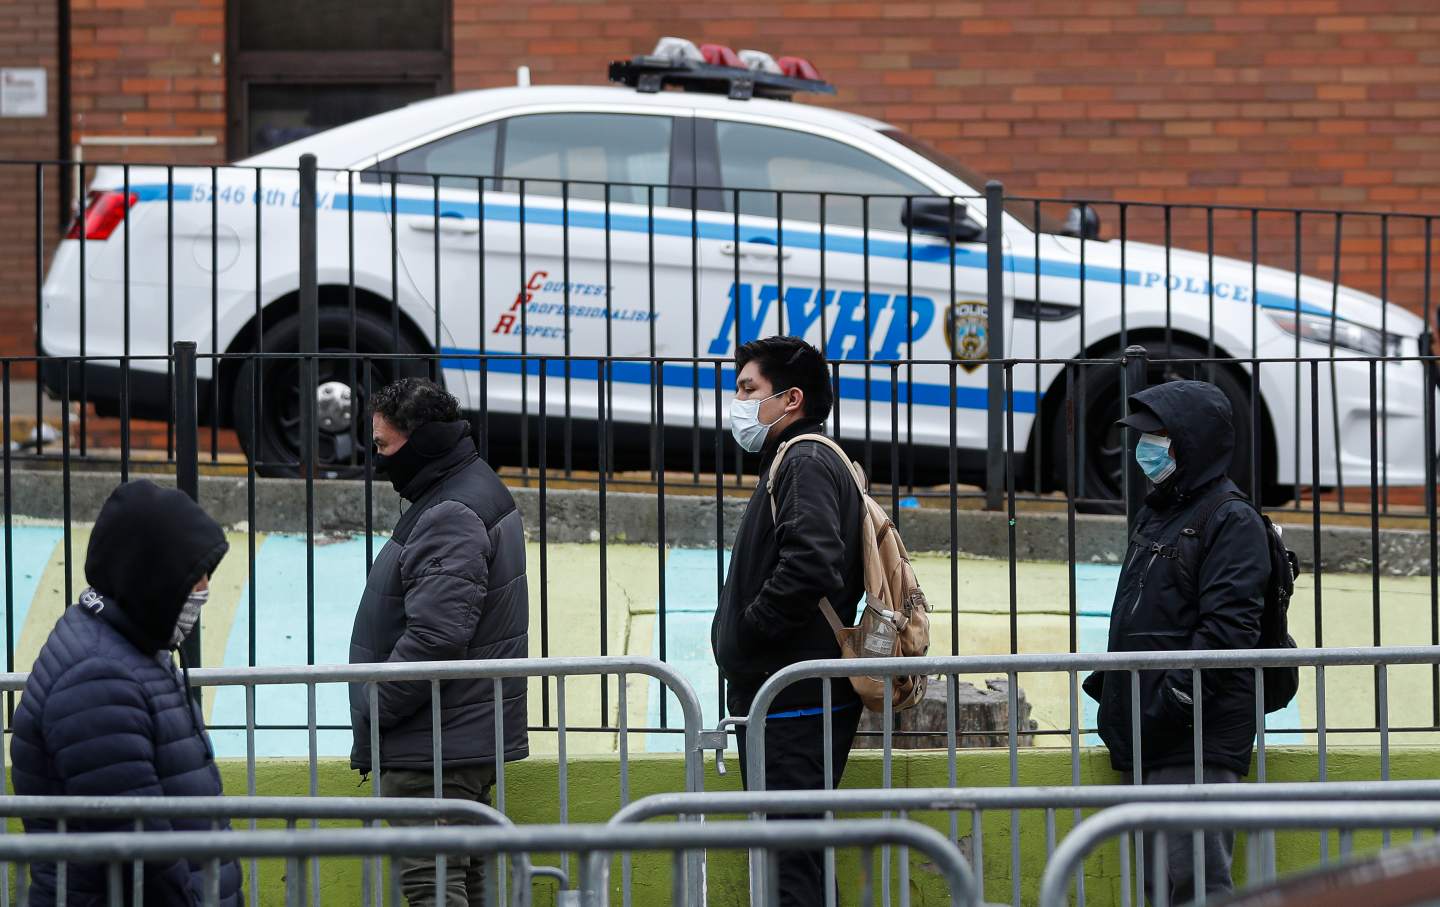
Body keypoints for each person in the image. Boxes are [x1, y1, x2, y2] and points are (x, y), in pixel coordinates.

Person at [10, 480, 242, 906]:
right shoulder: (98, 678)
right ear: (152, 576)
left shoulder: (131, 644)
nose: (205, 588)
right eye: (194, 576)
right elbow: (141, 849)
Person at [1085, 379, 1270, 905]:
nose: (1146, 447)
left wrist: (1169, 702)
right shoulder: (1162, 510)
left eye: (1158, 436)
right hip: (1151, 728)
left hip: (1193, 735)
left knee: (1194, 884)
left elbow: (1228, 633)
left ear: (1193, 441)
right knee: (1157, 887)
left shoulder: (1231, 520)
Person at [349, 378, 528, 907]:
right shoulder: (467, 487)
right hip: (454, 737)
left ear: (420, 441)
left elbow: (435, 635)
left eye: (382, 445)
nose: (377, 459)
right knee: (463, 885)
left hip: (433, 747)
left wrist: (375, 706)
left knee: (435, 887)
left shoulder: (451, 509)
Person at [710, 336, 865, 907]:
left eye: (749, 389)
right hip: (788, 699)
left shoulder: (804, 459)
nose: (738, 402)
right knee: (790, 863)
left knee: (792, 869)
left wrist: (749, 630)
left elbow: (811, 562)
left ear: (791, 397)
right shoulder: (798, 459)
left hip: (795, 702)